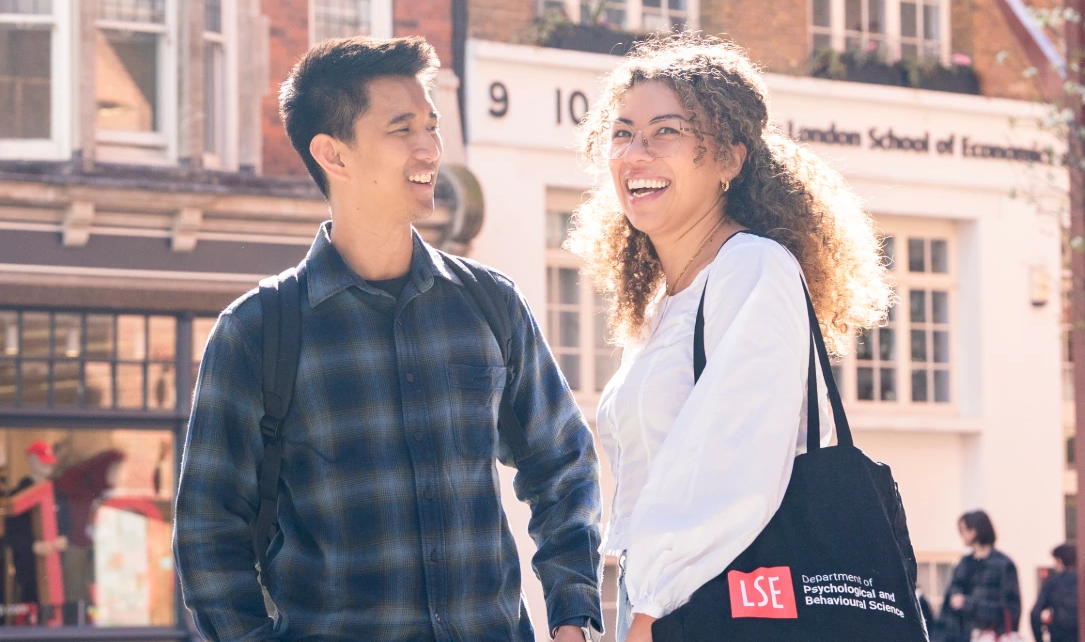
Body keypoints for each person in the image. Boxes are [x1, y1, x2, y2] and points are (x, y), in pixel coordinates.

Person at [173, 36, 603, 642]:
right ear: (334, 154)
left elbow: (562, 464)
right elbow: (206, 530)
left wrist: (573, 616)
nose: (430, 147)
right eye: (403, 129)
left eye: (431, 125)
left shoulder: (490, 304)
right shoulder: (255, 333)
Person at [566, 32, 893, 642]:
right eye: (622, 132)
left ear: (728, 159)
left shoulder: (752, 267)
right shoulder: (669, 303)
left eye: (666, 131)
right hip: (669, 605)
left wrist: (647, 616)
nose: (636, 153)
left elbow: (731, 464)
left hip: (702, 611)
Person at [939, 510, 1021, 642]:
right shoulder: (963, 563)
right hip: (959, 636)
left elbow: (1011, 610)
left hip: (990, 636)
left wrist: (967, 604)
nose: (961, 535)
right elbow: (947, 608)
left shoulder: (1003, 565)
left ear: (975, 530)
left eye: (963, 530)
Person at [1031, 543, 1077, 642]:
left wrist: (1039, 639)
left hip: (1059, 637)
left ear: (1060, 560)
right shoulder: (1081, 582)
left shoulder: (1052, 583)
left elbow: (1035, 613)